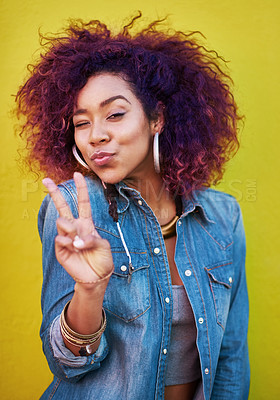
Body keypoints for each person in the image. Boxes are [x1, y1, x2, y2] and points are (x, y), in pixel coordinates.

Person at [16, 13, 250, 400]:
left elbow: (231, 357)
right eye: (81, 122)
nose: (97, 135)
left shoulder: (223, 217)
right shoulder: (75, 209)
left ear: (156, 118)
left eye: (115, 114)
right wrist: (89, 291)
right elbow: (66, 364)